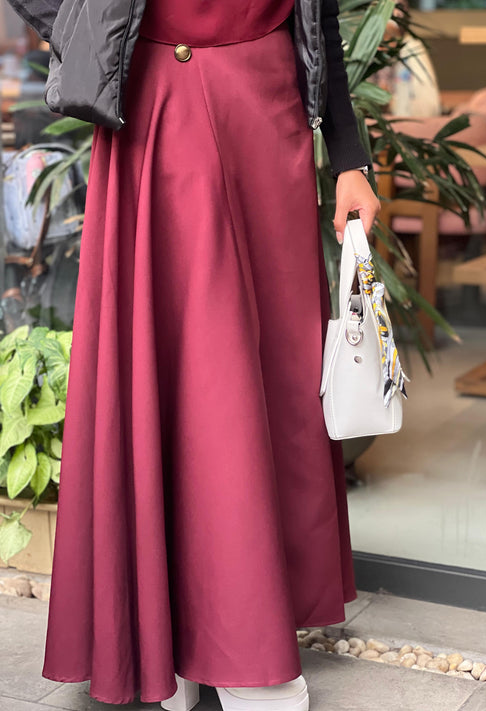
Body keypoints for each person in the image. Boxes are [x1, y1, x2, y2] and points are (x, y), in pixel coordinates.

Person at [9, 0, 380, 709]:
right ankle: (182, 638)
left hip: (266, 104)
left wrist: (348, 155)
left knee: (275, 376)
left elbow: (318, 14)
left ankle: (230, 638)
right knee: (196, 372)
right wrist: (91, 32)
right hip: (154, 99)